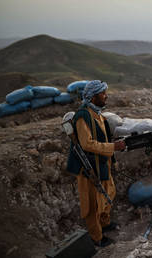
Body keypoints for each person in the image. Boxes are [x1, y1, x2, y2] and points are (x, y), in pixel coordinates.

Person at [66, 80, 126, 247]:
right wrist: (113, 147)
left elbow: (103, 138)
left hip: (102, 164)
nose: (106, 96)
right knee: (92, 204)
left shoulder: (98, 114)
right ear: (93, 97)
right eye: (102, 93)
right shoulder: (83, 116)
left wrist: (112, 150)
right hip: (88, 168)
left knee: (109, 194)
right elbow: (87, 144)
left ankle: (105, 224)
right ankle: (97, 237)